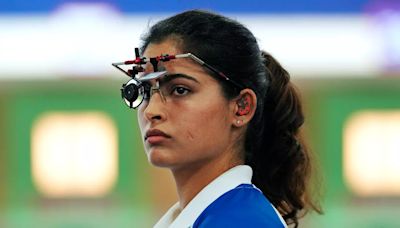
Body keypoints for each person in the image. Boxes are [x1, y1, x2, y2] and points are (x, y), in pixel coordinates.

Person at [113, 9, 321, 228]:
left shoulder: (242, 221)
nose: (151, 110)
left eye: (180, 90)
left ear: (241, 107)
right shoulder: (199, 216)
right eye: (144, 90)